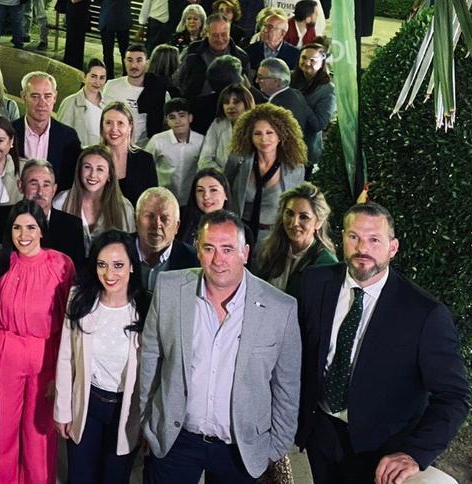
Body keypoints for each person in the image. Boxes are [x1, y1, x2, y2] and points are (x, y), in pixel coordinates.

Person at [296, 203, 471, 484]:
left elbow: (454, 396)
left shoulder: (424, 314)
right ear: (342, 240)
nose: (362, 248)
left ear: (393, 247)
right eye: (354, 237)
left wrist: (414, 453)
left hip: (380, 450)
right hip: (317, 431)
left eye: (374, 240)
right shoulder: (315, 283)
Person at [140, 210, 300, 483]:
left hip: (240, 448)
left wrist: (275, 448)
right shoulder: (169, 289)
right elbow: (150, 358)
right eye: (209, 248)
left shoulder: (280, 308)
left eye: (228, 249)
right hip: (176, 440)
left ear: (245, 253)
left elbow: (287, 386)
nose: (218, 260)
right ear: (198, 249)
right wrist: (149, 423)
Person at [0, 200, 75, 484]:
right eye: (17, 227)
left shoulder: (61, 264)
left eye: (31, 227)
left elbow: (70, 324)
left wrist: (62, 373)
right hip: (6, 352)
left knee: (39, 433)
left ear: (42, 230)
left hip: (46, 355)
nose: (24, 234)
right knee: (1, 429)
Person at [54, 230, 146, 484]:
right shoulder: (80, 299)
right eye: (102, 265)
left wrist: (146, 421)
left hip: (126, 411)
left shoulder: (146, 308)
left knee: (114, 478)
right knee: (80, 477)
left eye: (118, 265)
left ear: (131, 268)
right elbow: (65, 358)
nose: (109, 274)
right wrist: (63, 410)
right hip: (87, 404)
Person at [224, 104, 308, 247]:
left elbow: (296, 207)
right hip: (239, 233)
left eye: (270, 133)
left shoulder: (295, 168)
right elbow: (224, 191)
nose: (264, 139)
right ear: (249, 137)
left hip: (274, 237)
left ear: (280, 136)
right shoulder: (238, 160)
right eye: (257, 133)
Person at [249, 182, 337, 297]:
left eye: (304, 217)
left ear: (318, 223)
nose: (294, 223)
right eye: (289, 213)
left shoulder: (326, 264)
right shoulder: (272, 248)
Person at [54, 144, 135, 251]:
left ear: (109, 175)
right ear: (79, 171)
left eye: (100, 169)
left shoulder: (125, 208)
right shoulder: (60, 202)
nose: (93, 175)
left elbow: (129, 251)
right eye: (87, 167)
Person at [14, 71, 81, 190]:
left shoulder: (68, 137)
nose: (42, 103)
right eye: (35, 96)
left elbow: (69, 182)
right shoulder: (9, 133)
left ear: (55, 97)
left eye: (47, 96)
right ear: (23, 96)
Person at [256, 58, 320, 168]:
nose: (257, 81)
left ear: (276, 81)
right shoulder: (296, 94)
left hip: (284, 164)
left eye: (261, 78)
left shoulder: (276, 108)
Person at [174, 13, 252, 100]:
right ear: (207, 33)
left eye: (224, 34)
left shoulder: (241, 56)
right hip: (197, 106)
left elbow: (247, 88)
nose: (220, 39)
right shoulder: (193, 51)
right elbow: (178, 79)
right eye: (215, 35)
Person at [133, 187, 198, 290]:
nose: (157, 225)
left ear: (177, 227)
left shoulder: (193, 262)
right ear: (136, 220)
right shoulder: (116, 252)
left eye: (165, 219)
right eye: (149, 216)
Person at [145, 97, 205, 207]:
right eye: (172, 117)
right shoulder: (157, 140)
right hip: (163, 200)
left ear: (190, 118)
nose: (177, 121)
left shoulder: (201, 141)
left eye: (182, 116)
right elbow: (144, 167)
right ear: (167, 121)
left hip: (191, 201)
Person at [98, 101, 156, 206]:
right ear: (102, 126)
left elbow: (151, 202)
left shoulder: (145, 160)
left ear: (130, 126)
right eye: (108, 123)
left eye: (120, 123)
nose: (114, 129)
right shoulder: (92, 158)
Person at [94, 0, 138, 77]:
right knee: (125, 50)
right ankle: (126, 74)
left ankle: (110, 76)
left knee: (107, 51)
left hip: (108, 20)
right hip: (124, 19)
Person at [198, 84, 255, 173]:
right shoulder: (218, 124)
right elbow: (205, 160)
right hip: (220, 179)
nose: (230, 106)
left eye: (236, 102)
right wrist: (223, 177)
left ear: (247, 104)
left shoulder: (257, 126)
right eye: (226, 102)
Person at [58, 58, 108, 147]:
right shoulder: (70, 103)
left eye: (102, 78)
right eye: (93, 76)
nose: (97, 82)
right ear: (84, 77)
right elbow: (60, 137)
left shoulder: (108, 104)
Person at [178, 168, 232, 244]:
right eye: (200, 190)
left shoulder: (239, 228)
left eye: (213, 190)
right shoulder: (180, 218)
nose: (206, 196)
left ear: (226, 194)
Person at [248, 9, 300, 74]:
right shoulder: (250, 50)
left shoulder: (295, 54)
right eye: (264, 25)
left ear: (282, 33)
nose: (265, 30)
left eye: (270, 27)